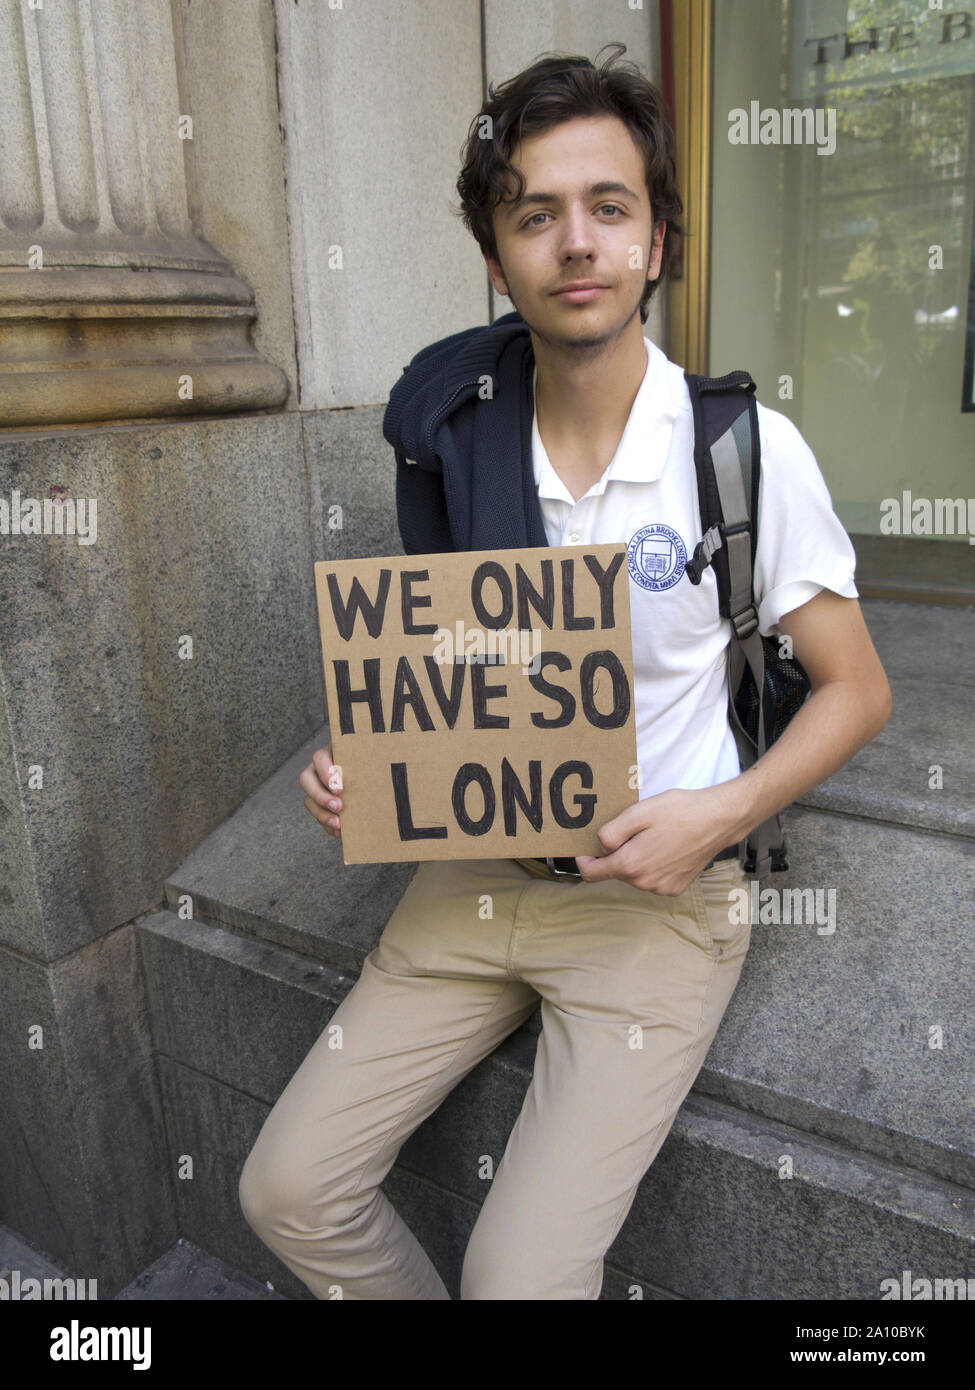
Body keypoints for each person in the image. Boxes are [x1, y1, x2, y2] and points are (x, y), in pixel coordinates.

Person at [238, 44, 892, 1300]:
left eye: (609, 207)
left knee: (520, 1280)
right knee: (284, 1189)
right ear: (498, 256)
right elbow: (448, 658)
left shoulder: (743, 451)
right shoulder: (453, 433)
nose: (574, 242)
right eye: (535, 214)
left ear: (658, 243)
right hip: (475, 873)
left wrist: (724, 813)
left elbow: (861, 689)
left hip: (657, 901)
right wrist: (368, 762)